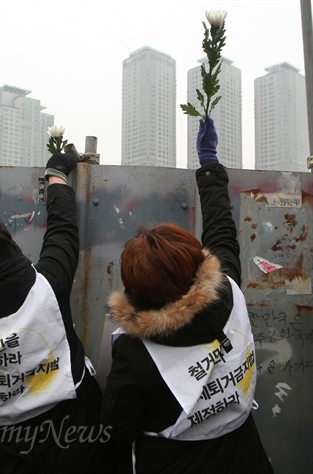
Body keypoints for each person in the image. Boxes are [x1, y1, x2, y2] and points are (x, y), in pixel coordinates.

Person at [101, 118, 274, 474]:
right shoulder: (226, 291)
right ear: (197, 266)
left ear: (135, 290)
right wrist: (208, 162)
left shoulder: (135, 353)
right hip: (244, 454)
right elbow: (221, 228)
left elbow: (117, 429)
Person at [0, 152, 107, 473]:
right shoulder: (48, 287)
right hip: (76, 432)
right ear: (8, 248)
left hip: (1, 450)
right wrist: (56, 174)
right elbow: (63, 232)